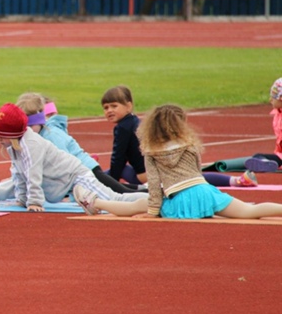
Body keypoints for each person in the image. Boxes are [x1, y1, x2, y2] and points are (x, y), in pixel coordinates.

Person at [73, 104, 282, 220]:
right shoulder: (190, 144)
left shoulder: (151, 151)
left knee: (137, 203)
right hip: (205, 192)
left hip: (178, 197)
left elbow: (154, 184)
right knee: (249, 211)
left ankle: (95, 202)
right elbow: (197, 173)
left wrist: (153, 213)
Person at [0, 102, 148, 212]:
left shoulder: (31, 144)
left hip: (76, 177)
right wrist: (22, 199)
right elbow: (18, 174)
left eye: (2, 135)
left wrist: (34, 202)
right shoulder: (13, 146)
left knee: (115, 199)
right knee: (114, 198)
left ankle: (155, 198)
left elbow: (32, 174)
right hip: (65, 182)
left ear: (14, 134)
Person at [101, 85, 257, 188]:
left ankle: (92, 179)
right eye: (106, 107)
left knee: (115, 171)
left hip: (147, 177)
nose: (109, 110)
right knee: (193, 177)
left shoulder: (122, 128)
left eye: (114, 106)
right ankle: (235, 180)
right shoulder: (136, 122)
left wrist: (111, 184)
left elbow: (118, 158)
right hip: (160, 170)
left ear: (129, 106)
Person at [244, 77, 282, 173]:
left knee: (257, 157)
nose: (270, 100)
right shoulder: (277, 114)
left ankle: (270, 163)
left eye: (273, 97)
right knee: (257, 156)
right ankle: (268, 163)